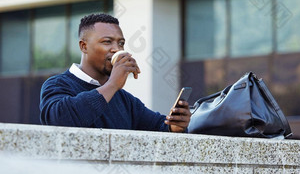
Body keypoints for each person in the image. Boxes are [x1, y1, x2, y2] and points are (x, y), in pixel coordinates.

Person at [40, 13, 191, 133]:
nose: (117, 49)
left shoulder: (124, 99)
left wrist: (175, 126)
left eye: (121, 43)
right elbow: (59, 121)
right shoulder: (57, 84)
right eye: (107, 42)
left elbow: (159, 128)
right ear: (84, 46)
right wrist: (112, 84)